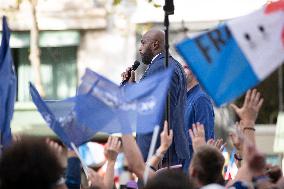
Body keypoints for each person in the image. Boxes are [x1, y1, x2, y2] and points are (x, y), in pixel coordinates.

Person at [121, 28, 190, 168]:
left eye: (143, 43)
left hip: (159, 154)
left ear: (155, 45)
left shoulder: (161, 67)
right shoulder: (173, 65)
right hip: (166, 152)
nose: (140, 49)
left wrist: (156, 154)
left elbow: (157, 111)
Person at [180, 61, 215, 167]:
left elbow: (205, 141)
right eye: (181, 67)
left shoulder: (201, 99)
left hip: (192, 170)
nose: (182, 70)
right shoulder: (182, 99)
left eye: (186, 67)